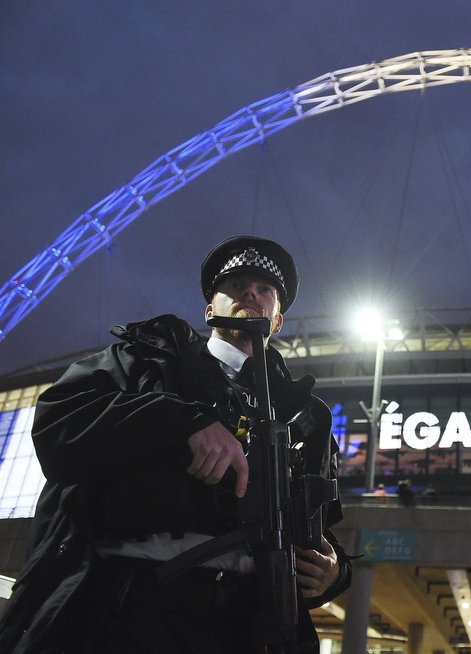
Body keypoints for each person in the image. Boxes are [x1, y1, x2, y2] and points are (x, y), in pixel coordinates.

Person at [0, 236, 353, 653]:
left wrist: (335, 574)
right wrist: (179, 421)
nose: (250, 293)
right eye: (235, 285)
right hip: (131, 612)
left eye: (264, 289)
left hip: (249, 625)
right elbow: (57, 422)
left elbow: (320, 529)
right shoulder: (147, 362)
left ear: (277, 321)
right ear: (209, 311)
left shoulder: (306, 417)